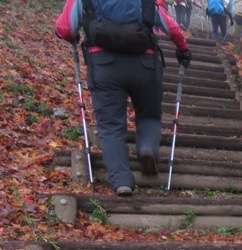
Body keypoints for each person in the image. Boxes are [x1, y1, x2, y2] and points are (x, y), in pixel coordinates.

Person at [56, 0, 191, 196]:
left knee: (111, 126)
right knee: (149, 116)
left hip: (104, 65)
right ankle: (147, 148)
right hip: (145, 65)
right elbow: (170, 27)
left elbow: (65, 28)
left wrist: (69, 33)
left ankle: (121, 181)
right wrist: (183, 49)